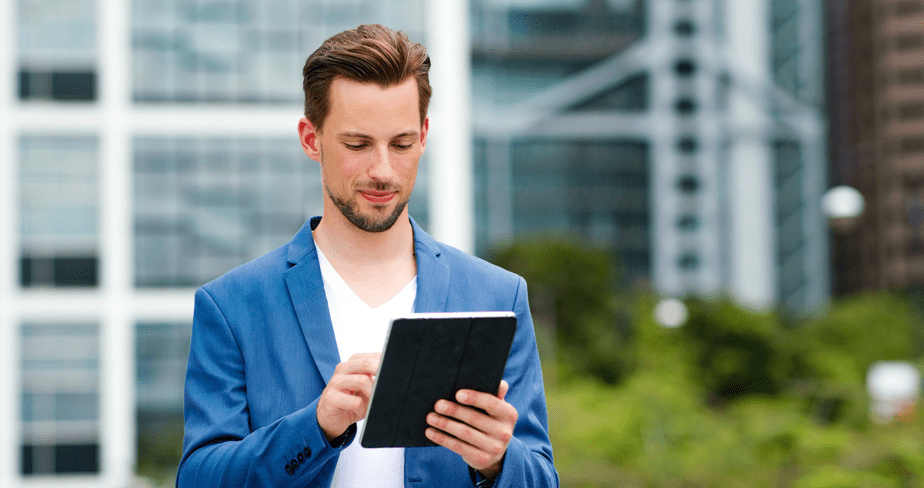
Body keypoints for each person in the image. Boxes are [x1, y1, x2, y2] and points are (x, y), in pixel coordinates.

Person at [177, 24, 558, 488]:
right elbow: (197, 479)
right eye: (357, 145)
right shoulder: (233, 305)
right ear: (311, 139)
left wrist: (498, 461)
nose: (382, 170)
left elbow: (542, 477)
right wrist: (316, 426)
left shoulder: (497, 295)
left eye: (400, 144)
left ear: (423, 136)